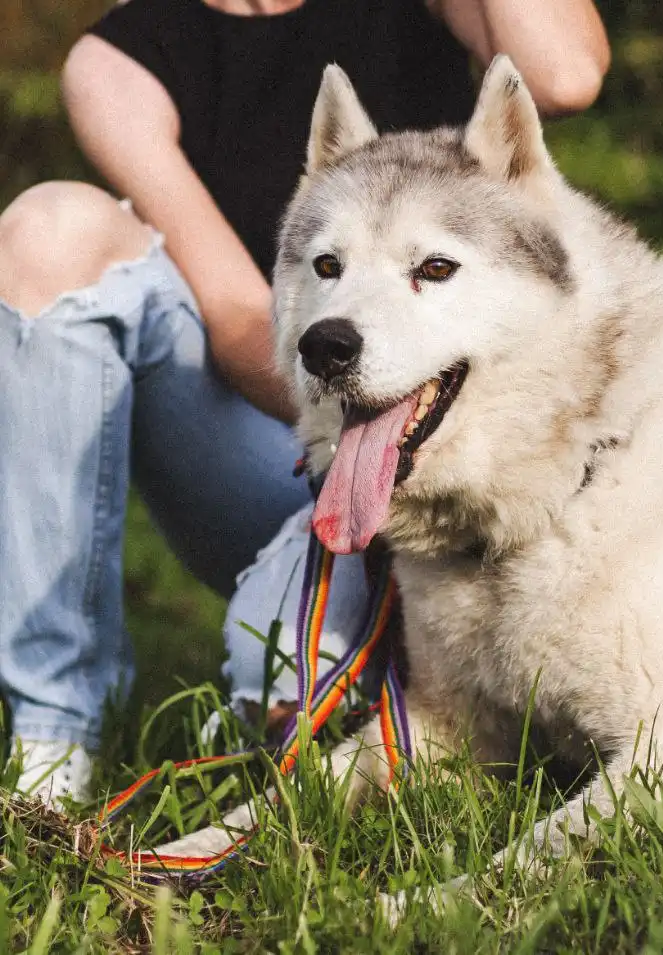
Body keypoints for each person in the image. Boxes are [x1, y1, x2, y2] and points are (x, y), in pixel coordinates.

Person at [0, 0, 610, 806]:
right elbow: (238, 315)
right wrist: (362, 426)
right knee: (49, 228)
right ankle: (55, 732)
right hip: (276, 441)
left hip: (474, 438)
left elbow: (566, 74)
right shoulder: (118, 62)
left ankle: (383, 661)